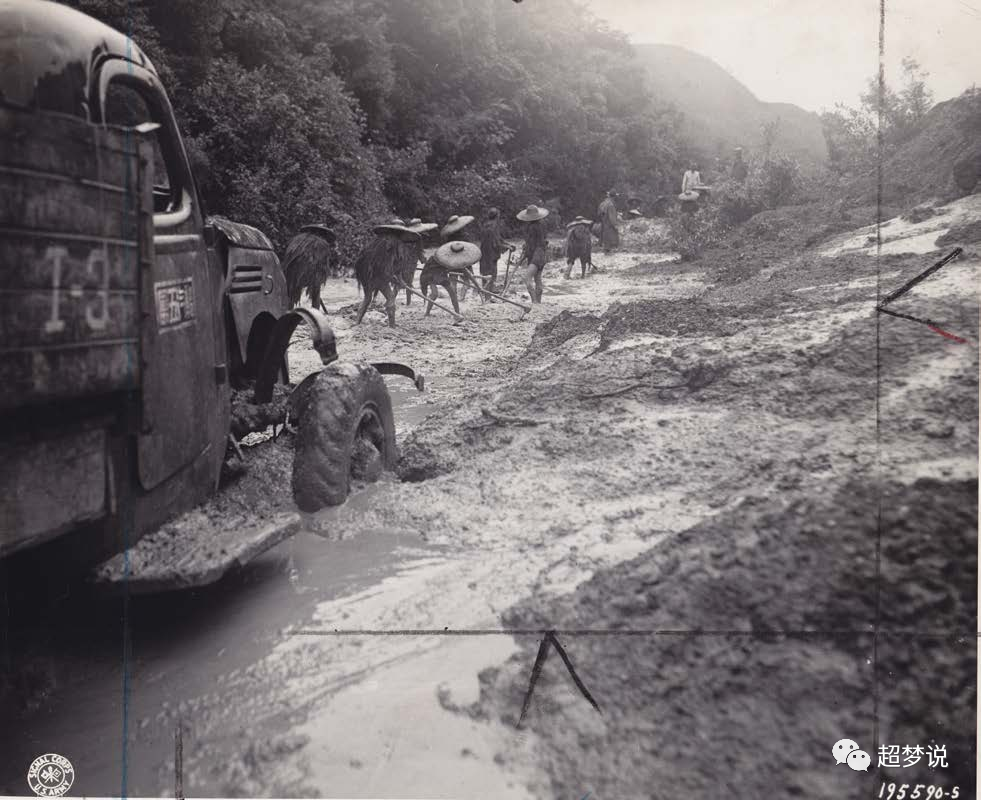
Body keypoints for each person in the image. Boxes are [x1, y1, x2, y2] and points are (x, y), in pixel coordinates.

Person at [354, 222, 421, 328]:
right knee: (390, 298)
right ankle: (392, 325)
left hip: (366, 275)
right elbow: (396, 267)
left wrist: (396, 279)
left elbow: (365, 260)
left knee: (367, 298)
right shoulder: (398, 245)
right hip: (380, 276)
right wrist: (399, 280)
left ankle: (357, 322)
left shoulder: (376, 242)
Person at [516, 204, 549, 303]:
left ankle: (534, 301)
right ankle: (538, 302)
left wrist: (524, 253)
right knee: (537, 279)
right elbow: (543, 241)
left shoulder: (531, 228)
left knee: (527, 278)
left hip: (536, 254)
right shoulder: (543, 225)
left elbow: (530, 244)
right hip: (542, 254)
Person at [441, 214, 479, 301]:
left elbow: (445, 251)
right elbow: (469, 249)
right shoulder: (464, 236)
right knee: (468, 280)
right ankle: (462, 297)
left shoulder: (449, 238)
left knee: (453, 280)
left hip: (452, 261)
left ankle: (453, 298)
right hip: (464, 261)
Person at [477, 207, 511, 295]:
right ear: (497, 216)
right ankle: (488, 293)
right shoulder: (494, 226)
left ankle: (485, 291)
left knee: (485, 271)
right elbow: (496, 242)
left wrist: (506, 244)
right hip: (491, 251)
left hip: (484, 251)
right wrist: (507, 246)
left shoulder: (485, 225)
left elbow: (497, 239)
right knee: (492, 272)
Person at [596, 190, 620, 256]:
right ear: (614, 197)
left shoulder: (603, 203)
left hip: (603, 222)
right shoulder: (611, 205)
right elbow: (611, 217)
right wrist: (615, 225)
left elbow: (598, 213)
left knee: (604, 237)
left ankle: (606, 251)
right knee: (611, 237)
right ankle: (608, 251)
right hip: (609, 224)